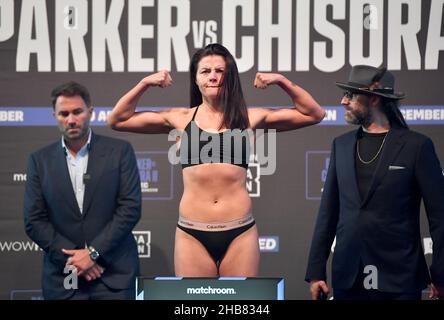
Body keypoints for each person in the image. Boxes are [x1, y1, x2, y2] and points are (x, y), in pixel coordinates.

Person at [107, 43, 325, 277]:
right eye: (205, 71)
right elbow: (117, 120)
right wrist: (144, 84)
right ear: (196, 79)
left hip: (240, 233)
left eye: (219, 71)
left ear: (229, 77)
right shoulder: (179, 119)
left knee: (239, 306)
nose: (213, 77)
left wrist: (281, 81)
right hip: (192, 234)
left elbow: (314, 113)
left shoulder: (249, 118)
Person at [305, 65, 444, 300]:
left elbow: (440, 217)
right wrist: (316, 271)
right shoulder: (342, 145)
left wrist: (441, 275)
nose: (342, 101)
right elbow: (327, 212)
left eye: (350, 95)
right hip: (348, 276)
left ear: (374, 99)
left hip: (399, 277)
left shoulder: (417, 146)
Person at [24, 82, 142, 299]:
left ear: (90, 112)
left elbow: (130, 208)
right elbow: (34, 220)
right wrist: (76, 259)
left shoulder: (120, 152)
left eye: (77, 112)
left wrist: (93, 253)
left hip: (114, 275)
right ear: (54, 116)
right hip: (63, 279)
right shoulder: (39, 161)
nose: (71, 120)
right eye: (64, 113)